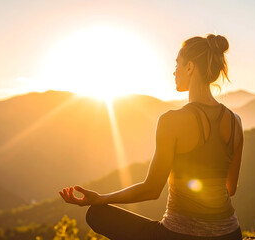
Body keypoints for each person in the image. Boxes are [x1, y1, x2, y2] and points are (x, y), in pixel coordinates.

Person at [59, 34, 244, 240]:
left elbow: (151, 189)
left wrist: (101, 198)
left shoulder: (172, 120)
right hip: (230, 234)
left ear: (190, 67)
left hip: (178, 235)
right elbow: (230, 188)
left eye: (178, 64)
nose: (174, 71)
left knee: (96, 213)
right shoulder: (236, 122)